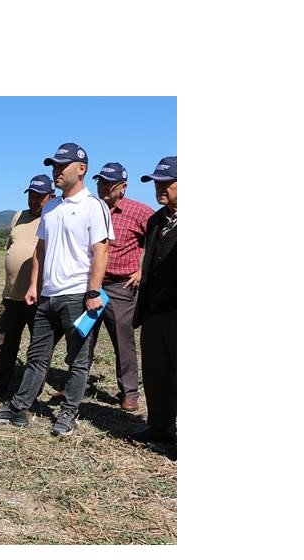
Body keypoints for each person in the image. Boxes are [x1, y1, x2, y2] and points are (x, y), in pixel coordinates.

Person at [0, 143, 113, 437]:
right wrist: (33, 286)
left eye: (61, 166)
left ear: (81, 169)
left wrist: (93, 292)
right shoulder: (51, 207)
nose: (55, 171)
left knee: (78, 360)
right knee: (37, 356)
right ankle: (18, 408)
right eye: (53, 166)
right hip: (47, 296)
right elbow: (40, 250)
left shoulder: (94, 207)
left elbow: (101, 251)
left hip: (78, 297)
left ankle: (67, 414)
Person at [0, 174, 55, 401]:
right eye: (31, 195)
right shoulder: (18, 217)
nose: (34, 200)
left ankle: (31, 392)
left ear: (51, 196)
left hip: (39, 297)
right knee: (3, 344)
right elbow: (11, 247)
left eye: (39, 196)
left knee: (38, 350)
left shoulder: (55, 218)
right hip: (11, 295)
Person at [88, 162, 155, 410]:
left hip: (120, 287)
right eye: (100, 182)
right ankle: (77, 383)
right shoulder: (92, 209)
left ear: (123, 187)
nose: (103, 187)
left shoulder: (139, 212)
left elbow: (159, 238)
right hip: (92, 285)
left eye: (109, 183)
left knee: (123, 341)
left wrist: (142, 270)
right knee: (83, 336)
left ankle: (130, 392)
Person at [132, 156, 177, 447]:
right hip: (154, 309)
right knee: (156, 369)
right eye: (156, 183)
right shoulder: (155, 220)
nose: (159, 188)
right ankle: (159, 425)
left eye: (166, 182)